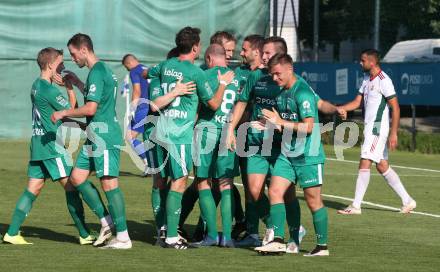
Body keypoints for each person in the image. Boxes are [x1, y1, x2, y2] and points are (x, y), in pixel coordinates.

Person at [147, 26, 234, 249]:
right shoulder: (195, 73)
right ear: (196, 48)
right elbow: (214, 104)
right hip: (179, 135)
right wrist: (223, 83)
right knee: (179, 181)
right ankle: (172, 237)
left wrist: (169, 88)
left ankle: (162, 231)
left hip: (159, 133)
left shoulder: (164, 66)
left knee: (159, 182)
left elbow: (152, 95)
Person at [3, 47, 95, 245]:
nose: (62, 68)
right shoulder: (49, 90)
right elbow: (72, 111)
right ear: (51, 65)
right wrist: (70, 88)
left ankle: (11, 232)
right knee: (72, 187)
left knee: (32, 189)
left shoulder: (36, 85)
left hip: (37, 144)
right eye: (60, 64)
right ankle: (85, 234)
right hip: (52, 148)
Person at [51, 33, 132, 249]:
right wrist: (77, 83)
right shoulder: (102, 70)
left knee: (109, 183)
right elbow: (97, 97)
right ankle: (107, 222)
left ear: (84, 49)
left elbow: (91, 108)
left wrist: (63, 113)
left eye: (73, 54)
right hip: (94, 135)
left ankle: (123, 237)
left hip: (104, 136)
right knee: (76, 177)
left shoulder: (97, 71)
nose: (72, 58)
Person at [226, 37, 302, 248]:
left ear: (279, 55)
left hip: (281, 145)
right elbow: (241, 103)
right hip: (256, 143)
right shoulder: (255, 76)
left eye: (267, 53)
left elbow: (303, 111)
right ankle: (273, 229)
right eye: (263, 52)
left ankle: (295, 233)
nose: (263, 56)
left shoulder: (291, 81)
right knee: (254, 191)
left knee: (286, 194)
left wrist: (283, 124)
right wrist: (231, 130)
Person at [254, 53, 330, 256]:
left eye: (278, 74)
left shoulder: (303, 93)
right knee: (275, 191)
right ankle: (278, 239)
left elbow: (308, 127)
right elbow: (285, 126)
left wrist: (280, 123)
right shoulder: (280, 95)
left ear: (289, 69)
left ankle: (322, 246)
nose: (275, 78)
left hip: (308, 156)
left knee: (313, 201)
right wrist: (269, 125)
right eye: (272, 75)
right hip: (287, 154)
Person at [337, 49, 416, 215]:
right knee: (382, 166)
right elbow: (358, 102)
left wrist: (394, 133)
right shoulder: (366, 79)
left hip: (377, 129)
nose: (360, 63)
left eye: (363, 60)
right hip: (370, 129)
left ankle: (356, 206)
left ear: (372, 62)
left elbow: (395, 107)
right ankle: (408, 201)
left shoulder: (384, 80)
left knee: (365, 160)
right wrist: (343, 108)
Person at [191, 44, 240, 248]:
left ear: (210, 58)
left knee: (203, 182)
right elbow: (241, 104)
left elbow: (199, 105)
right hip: (229, 132)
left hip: (206, 131)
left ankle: (211, 235)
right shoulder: (236, 78)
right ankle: (227, 237)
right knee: (226, 183)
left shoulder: (205, 75)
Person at [122, 54, 150, 174]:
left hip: (143, 107)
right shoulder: (147, 69)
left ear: (128, 64)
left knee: (129, 137)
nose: (127, 70)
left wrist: (132, 109)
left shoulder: (134, 71)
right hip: (153, 106)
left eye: (126, 67)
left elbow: (137, 91)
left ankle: (149, 162)